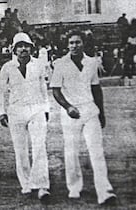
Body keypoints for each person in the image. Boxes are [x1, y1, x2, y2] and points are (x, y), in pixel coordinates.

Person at [50, 30, 116, 205]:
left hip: (89, 110)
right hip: (70, 113)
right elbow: (55, 90)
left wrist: (101, 113)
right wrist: (68, 107)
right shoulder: (60, 63)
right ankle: (74, 187)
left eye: (77, 42)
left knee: (96, 151)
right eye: (71, 43)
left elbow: (96, 89)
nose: (74, 46)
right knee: (71, 150)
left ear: (83, 44)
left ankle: (104, 191)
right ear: (67, 45)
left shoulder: (92, 62)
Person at [0, 32, 50, 200]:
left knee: (39, 146)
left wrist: (46, 108)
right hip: (16, 110)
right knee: (20, 149)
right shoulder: (7, 67)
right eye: (19, 46)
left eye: (26, 46)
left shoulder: (39, 65)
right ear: (14, 49)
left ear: (31, 48)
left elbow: (44, 88)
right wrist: (1, 112)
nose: (23, 49)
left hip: (36, 108)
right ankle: (26, 183)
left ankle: (41, 185)